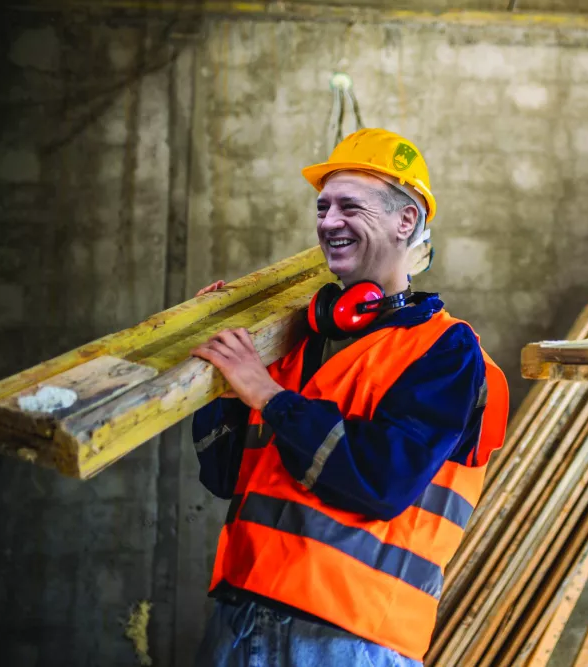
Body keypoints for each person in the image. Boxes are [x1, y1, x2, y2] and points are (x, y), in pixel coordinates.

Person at [188, 128, 509, 666]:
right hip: (239, 617)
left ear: (406, 221)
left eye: (349, 207)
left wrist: (266, 393)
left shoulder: (446, 351)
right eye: (323, 206)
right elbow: (222, 477)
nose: (328, 222)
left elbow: (382, 483)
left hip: (349, 638)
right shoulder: (298, 342)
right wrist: (219, 371)